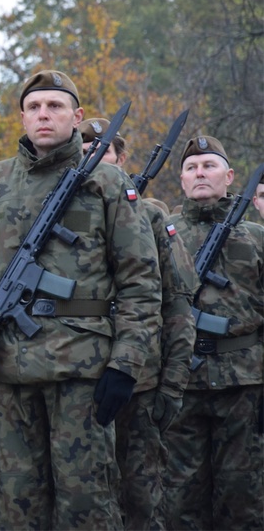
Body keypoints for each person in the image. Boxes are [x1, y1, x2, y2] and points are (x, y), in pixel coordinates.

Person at [0, 70, 162, 529]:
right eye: (34, 107)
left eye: (54, 106)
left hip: (84, 372)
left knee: (87, 509)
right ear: (22, 117)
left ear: (75, 116)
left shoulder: (108, 184)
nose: (43, 115)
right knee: (18, 511)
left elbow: (140, 281)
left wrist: (125, 364)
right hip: (8, 371)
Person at [79, 119, 197, 530]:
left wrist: (172, 383)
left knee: (142, 501)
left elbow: (177, 306)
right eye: (83, 149)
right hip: (78, 381)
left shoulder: (148, 216)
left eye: (102, 150)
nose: (91, 157)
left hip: (140, 384)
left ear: (120, 159)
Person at [162, 136, 264, 529]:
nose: (200, 173)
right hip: (180, 387)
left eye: (209, 165)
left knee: (244, 498)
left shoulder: (255, 236)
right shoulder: (162, 233)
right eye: (191, 168)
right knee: (180, 499)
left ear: (229, 176)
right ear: (182, 180)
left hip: (244, 386)